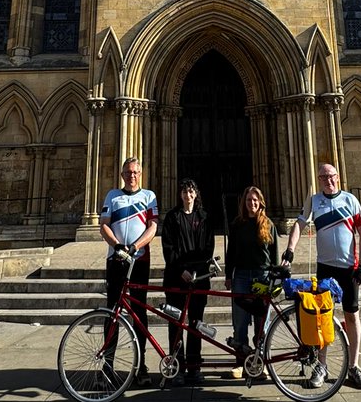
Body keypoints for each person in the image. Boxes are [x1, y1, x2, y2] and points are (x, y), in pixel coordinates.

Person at [282, 163, 361, 390]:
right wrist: (290, 250)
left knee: (352, 315)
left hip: (349, 267)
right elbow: (300, 223)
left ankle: (354, 366)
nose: (327, 180)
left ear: (337, 177)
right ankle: (321, 366)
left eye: (330, 176)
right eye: (323, 177)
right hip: (325, 267)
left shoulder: (350, 200)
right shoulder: (314, 201)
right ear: (319, 180)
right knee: (322, 316)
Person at [99, 157, 158, 386]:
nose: (131, 175)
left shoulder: (149, 196)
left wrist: (135, 247)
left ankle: (140, 366)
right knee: (112, 312)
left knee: (139, 313)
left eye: (135, 172)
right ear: (122, 174)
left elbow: (153, 226)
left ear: (140, 174)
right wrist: (117, 246)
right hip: (116, 260)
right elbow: (104, 224)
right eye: (127, 172)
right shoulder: (112, 196)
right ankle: (107, 366)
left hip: (139, 261)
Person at [160, 178, 215, 385]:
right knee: (175, 323)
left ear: (196, 194)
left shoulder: (204, 218)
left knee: (195, 323)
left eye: (191, 191)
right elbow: (168, 248)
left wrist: (196, 271)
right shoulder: (172, 217)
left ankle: (194, 367)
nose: (187, 195)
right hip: (176, 278)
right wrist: (181, 270)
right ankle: (177, 367)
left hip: (198, 279)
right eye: (184, 191)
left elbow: (208, 248)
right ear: (180, 194)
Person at [225, 186, 279, 375]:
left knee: (261, 322)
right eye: (249, 200)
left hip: (262, 276)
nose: (252, 203)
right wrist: (228, 275)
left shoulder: (268, 224)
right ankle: (241, 362)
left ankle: (259, 361)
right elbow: (231, 252)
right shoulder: (237, 224)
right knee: (240, 322)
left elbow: (274, 253)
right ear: (244, 203)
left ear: (260, 202)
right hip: (241, 275)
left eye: (255, 200)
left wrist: (275, 278)